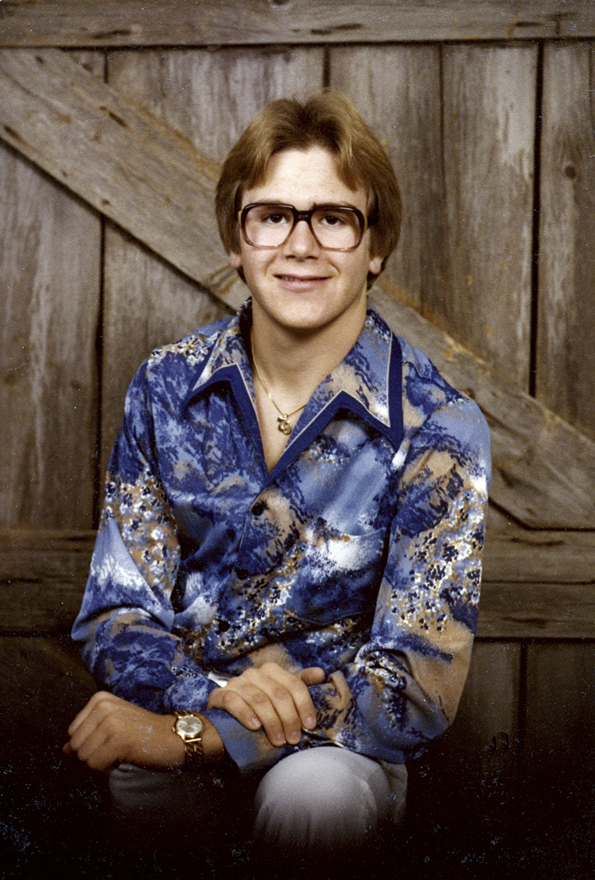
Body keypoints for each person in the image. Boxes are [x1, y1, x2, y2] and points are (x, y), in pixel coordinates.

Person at [64, 92, 491, 871]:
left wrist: (196, 736)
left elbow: (415, 686)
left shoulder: (438, 426)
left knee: (313, 798)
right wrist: (208, 697)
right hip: (182, 709)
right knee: (129, 794)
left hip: (334, 752)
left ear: (375, 246)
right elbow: (116, 611)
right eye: (272, 216)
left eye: (332, 218)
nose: (300, 244)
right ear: (237, 240)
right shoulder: (165, 387)